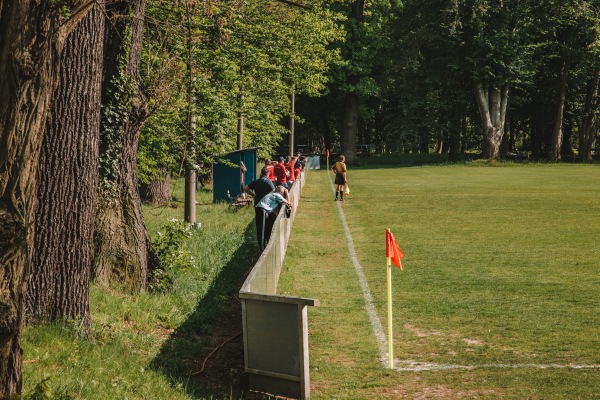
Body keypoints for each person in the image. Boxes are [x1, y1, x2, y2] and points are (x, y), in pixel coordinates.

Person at [244, 168, 276, 248]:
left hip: (258, 205)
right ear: (268, 174)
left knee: (259, 225)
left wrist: (253, 194)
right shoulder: (268, 181)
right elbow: (273, 190)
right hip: (266, 206)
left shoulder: (256, 181)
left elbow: (245, 188)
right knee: (267, 223)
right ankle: (267, 241)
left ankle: (260, 245)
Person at [255, 186, 291, 250]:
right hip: (263, 210)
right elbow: (288, 203)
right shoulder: (277, 194)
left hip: (260, 210)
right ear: (281, 192)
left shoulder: (271, 194)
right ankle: (262, 248)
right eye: (283, 193)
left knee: (263, 228)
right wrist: (287, 193)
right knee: (262, 229)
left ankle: (263, 246)